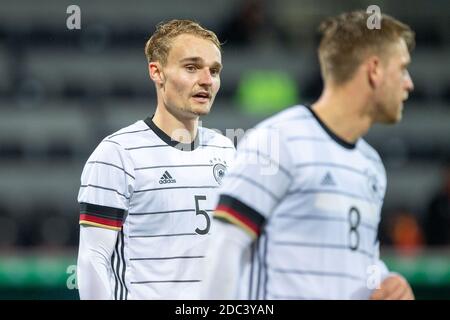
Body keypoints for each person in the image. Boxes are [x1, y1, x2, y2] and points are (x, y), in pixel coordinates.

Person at [202, 11, 415, 300]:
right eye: (402, 69)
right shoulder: (278, 142)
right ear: (374, 70)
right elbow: (224, 247)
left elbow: (356, 261)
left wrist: (386, 279)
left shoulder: (371, 165)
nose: (409, 83)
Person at [76, 19, 235, 300]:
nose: (207, 80)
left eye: (214, 70)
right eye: (191, 67)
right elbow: (93, 257)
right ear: (157, 72)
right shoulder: (117, 154)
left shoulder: (227, 152)